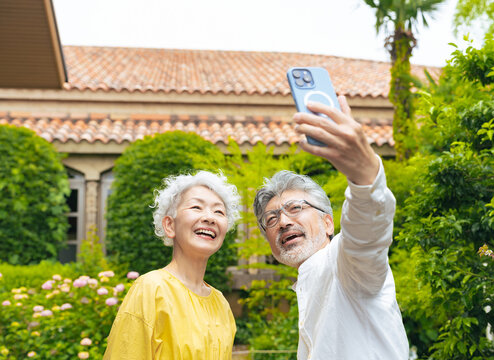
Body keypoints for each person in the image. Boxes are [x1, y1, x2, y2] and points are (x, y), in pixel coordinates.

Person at [253, 96, 409, 359]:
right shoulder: (307, 283)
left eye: (295, 208)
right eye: (271, 219)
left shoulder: (345, 265)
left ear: (328, 223)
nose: (283, 222)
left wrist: (365, 175)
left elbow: (366, 236)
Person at [103, 170, 241, 359]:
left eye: (219, 211)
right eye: (196, 207)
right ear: (169, 225)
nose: (210, 217)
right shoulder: (151, 289)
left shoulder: (221, 304)